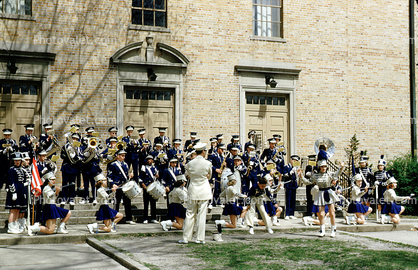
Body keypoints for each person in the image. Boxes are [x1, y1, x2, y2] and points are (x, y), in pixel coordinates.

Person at [298, 154, 344, 237]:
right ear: (319, 167)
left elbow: (337, 174)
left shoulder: (329, 174)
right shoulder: (315, 175)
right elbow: (308, 182)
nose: (324, 168)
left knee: (332, 213)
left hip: (329, 192)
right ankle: (322, 229)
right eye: (322, 166)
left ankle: (333, 229)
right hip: (320, 193)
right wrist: (301, 176)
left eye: (325, 166)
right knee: (321, 214)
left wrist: (341, 167)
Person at [179, 142, 212, 244]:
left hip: (193, 189)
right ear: (203, 151)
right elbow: (209, 176)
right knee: (201, 215)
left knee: (190, 214)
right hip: (204, 190)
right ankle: (200, 238)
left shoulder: (189, 163)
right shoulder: (208, 163)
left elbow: (188, 175)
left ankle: (186, 238)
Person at [107, 149, 135, 224]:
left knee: (127, 201)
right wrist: (113, 184)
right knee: (117, 202)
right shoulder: (113, 165)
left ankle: (129, 219)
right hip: (117, 185)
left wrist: (129, 176)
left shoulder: (125, 164)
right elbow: (109, 176)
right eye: (122, 156)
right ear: (118, 156)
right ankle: (115, 218)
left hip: (124, 185)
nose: (123, 157)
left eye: (124, 156)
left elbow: (126, 176)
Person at [5, 152, 29, 234]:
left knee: (18, 209)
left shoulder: (22, 170)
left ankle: (15, 224)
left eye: (19, 160)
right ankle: (11, 226)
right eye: (16, 160)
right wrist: (13, 192)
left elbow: (25, 179)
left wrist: (25, 184)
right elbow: (10, 181)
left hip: (21, 191)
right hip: (14, 191)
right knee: (13, 210)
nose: (17, 162)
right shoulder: (11, 170)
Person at [60, 133, 81, 206]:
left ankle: (71, 199)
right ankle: (64, 199)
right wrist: (65, 155)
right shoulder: (65, 146)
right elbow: (62, 155)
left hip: (74, 167)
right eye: (73, 138)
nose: (74, 140)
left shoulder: (79, 148)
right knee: (65, 183)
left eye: (76, 139)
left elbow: (81, 156)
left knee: (72, 184)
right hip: (66, 167)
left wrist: (78, 157)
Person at [140, 155, 159, 224]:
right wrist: (142, 184)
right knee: (146, 203)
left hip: (152, 187)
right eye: (148, 159)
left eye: (150, 159)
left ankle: (153, 218)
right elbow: (140, 177)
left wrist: (157, 176)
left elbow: (157, 177)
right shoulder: (143, 167)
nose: (149, 161)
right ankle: (145, 218)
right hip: (146, 187)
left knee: (153, 203)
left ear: (152, 160)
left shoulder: (154, 168)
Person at [280, 155, 300, 220]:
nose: (295, 162)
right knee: (288, 200)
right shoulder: (286, 167)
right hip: (288, 184)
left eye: (296, 161)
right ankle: (287, 214)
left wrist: (297, 172)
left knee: (293, 199)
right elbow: (285, 175)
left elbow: (297, 177)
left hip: (294, 184)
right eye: (294, 160)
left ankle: (292, 213)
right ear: (291, 160)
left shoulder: (296, 167)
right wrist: (291, 172)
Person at [374, 155, 391, 221]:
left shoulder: (386, 173)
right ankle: (379, 214)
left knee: (384, 202)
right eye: (379, 166)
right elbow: (373, 180)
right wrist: (374, 184)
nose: (380, 167)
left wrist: (380, 183)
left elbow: (388, 182)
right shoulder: (376, 173)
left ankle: (383, 214)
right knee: (378, 202)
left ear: (384, 166)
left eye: (381, 166)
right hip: (377, 189)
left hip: (384, 189)